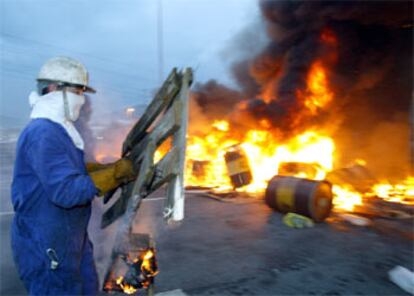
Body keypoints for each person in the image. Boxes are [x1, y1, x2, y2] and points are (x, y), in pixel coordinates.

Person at [11, 56, 135, 295]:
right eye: (78, 91)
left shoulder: (59, 128)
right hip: (48, 242)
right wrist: (113, 175)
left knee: (88, 288)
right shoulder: (43, 132)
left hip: (69, 237)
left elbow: (68, 169)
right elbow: (66, 192)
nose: (82, 99)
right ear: (55, 89)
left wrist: (107, 171)